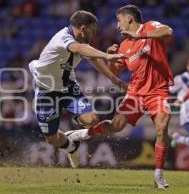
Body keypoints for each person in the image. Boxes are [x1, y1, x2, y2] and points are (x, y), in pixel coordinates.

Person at [67, 5, 174, 188]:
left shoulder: (149, 27)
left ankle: (158, 175)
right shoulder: (124, 45)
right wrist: (111, 57)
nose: (117, 26)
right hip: (135, 94)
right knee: (116, 126)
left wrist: (140, 36)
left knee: (162, 127)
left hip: (158, 91)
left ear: (129, 19)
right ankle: (81, 134)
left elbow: (168, 31)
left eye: (119, 20)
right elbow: (116, 70)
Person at [29, 10, 126, 168]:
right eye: (92, 30)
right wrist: (107, 56)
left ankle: (73, 136)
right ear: (83, 28)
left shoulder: (82, 42)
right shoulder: (63, 38)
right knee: (51, 138)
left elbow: (92, 57)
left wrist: (113, 78)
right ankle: (71, 146)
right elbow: (79, 49)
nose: (94, 33)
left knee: (92, 120)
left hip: (68, 87)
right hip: (46, 90)